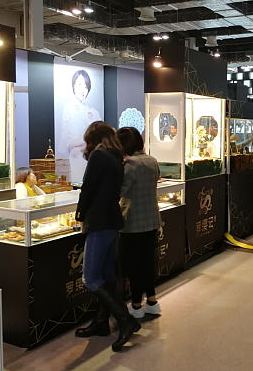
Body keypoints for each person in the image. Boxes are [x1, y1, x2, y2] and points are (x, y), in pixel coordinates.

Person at [74, 121, 140, 352]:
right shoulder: (116, 156)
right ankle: (101, 322)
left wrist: (80, 213)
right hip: (112, 221)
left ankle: (125, 320)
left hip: (99, 221)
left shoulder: (99, 155)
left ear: (93, 139)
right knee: (107, 276)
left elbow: (88, 188)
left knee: (91, 278)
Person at [117, 127, 162, 319]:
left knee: (134, 266)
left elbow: (121, 191)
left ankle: (136, 306)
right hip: (151, 220)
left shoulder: (130, 165)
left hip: (133, 223)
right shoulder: (152, 160)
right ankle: (152, 301)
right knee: (147, 263)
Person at [61, 70, 102, 183]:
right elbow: (66, 140)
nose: (82, 90)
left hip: (92, 157)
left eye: (85, 86)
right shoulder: (68, 108)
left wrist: (81, 145)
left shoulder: (94, 112)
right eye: (79, 84)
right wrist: (81, 145)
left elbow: (100, 139)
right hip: (76, 158)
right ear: (73, 86)